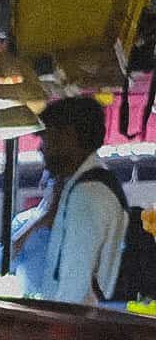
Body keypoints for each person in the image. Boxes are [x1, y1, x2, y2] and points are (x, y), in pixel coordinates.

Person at [35, 96, 128, 305]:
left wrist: (56, 330)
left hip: (76, 328)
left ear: (69, 136)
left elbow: (75, 281)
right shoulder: (88, 184)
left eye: (46, 138)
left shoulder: (88, 193)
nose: (40, 148)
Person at [0, 171, 63, 294]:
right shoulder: (24, 221)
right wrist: (32, 225)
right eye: (55, 189)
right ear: (43, 187)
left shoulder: (75, 223)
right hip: (32, 305)